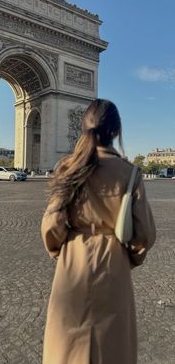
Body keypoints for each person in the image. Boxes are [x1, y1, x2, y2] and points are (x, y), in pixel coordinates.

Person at [41, 99, 156, 364]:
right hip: (113, 261)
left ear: (83, 128)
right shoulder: (130, 173)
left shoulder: (68, 168)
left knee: (68, 346)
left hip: (74, 261)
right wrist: (129, 257)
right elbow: (144, 234)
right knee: (112, 345)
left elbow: (51, 225)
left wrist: (60, 249)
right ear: (116, 132)